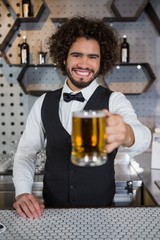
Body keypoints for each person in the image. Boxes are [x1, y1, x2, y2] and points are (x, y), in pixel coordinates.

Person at [13, 16, 151, 219]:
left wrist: (127, 133)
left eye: (93, 57)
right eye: (77, 55)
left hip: (102, 214)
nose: (84, 64)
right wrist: (23, 192)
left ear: (101, 62)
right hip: (52, 214)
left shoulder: (114, 100)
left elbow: (143, 136)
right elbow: (25, 154)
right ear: (63, 58)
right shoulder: (43, 102)